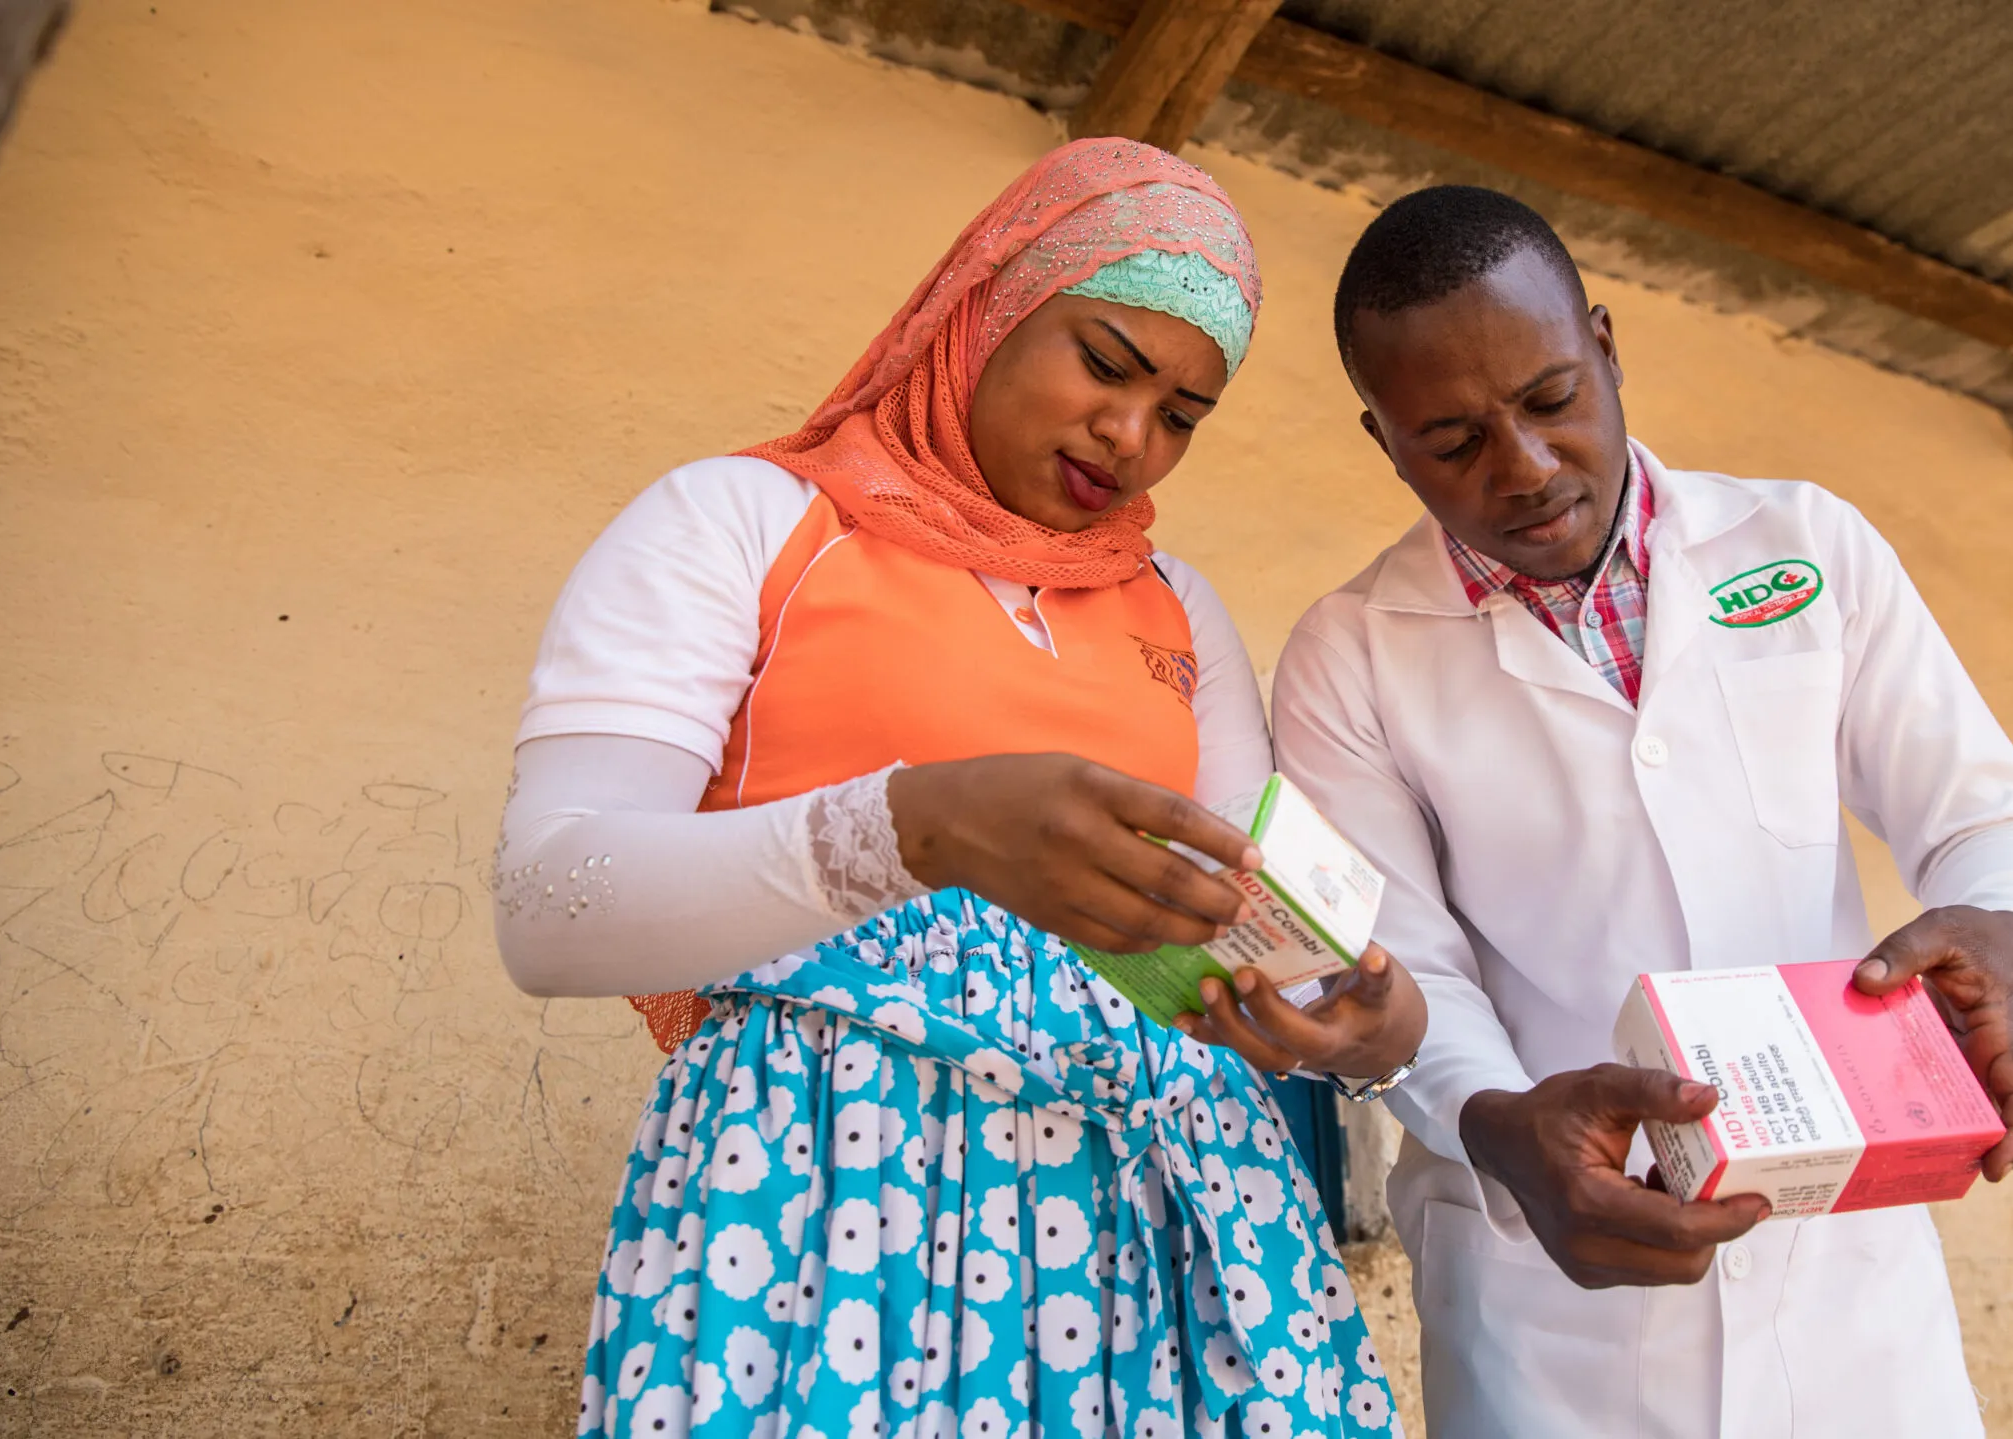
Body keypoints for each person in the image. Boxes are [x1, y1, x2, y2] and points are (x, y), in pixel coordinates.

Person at [495, 139, 1420, 1439]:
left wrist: (1363, 1021)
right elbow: (550, 903)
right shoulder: (746, 522)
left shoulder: (1175, 607)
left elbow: (1250, 923)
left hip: (1167, 1209)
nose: (1132, 434)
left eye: (1182, 413)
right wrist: (911, 826)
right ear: (985, 305)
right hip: (828, 1194)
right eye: (1105, 362)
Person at [1271, 186, 2013, 1437]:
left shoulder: (1806, 544)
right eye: (1451, 439)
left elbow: (1981, 814)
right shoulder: (1348, 654)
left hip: (1851, 1304)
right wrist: (1503, 1126)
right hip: (1553, 1321)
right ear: (1382, 441)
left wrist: (2007, 926)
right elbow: (1395, 966)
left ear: (1604, 343)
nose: (1524, 469)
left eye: (1549, 400)